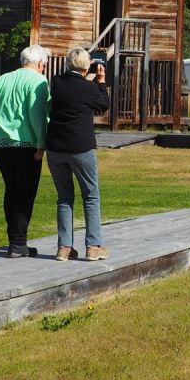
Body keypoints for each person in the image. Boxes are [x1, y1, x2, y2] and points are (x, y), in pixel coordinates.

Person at [0, 44, 52, 258]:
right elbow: (36, 115)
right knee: (25, 193)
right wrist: (41, 143)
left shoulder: (3, 79)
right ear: (39, 63)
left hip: (0, 144)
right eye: (44, 65)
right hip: (26, 144)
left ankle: (15, 240)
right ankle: (18, 243)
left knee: (11, 190)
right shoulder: (39, 81)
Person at [45, 47, 110, 262]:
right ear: (85, 66)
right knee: (91, 196)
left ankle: (64, 248)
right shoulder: (88, 87)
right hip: (80, 147)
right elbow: (103, 105)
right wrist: (101, 81)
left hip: (55, 147)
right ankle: (93, 246)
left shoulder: (56, 82)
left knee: (64, 198)